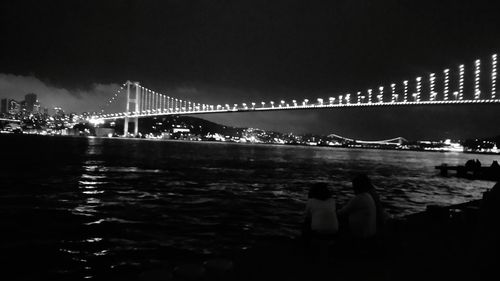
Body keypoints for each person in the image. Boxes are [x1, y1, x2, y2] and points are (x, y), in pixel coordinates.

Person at [302, 182, 338, 261]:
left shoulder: (311, 201)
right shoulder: (332, 201)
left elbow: (307, 217)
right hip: (334, 232)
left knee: (306, 222)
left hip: (318, 233)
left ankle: (305, 247)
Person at [338, 174, 377, 240]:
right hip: (370, 232)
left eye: (354, 185)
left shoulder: (359, 198)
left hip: (361, 235)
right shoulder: (369, 196)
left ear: (358, 186)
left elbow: (341, 213)